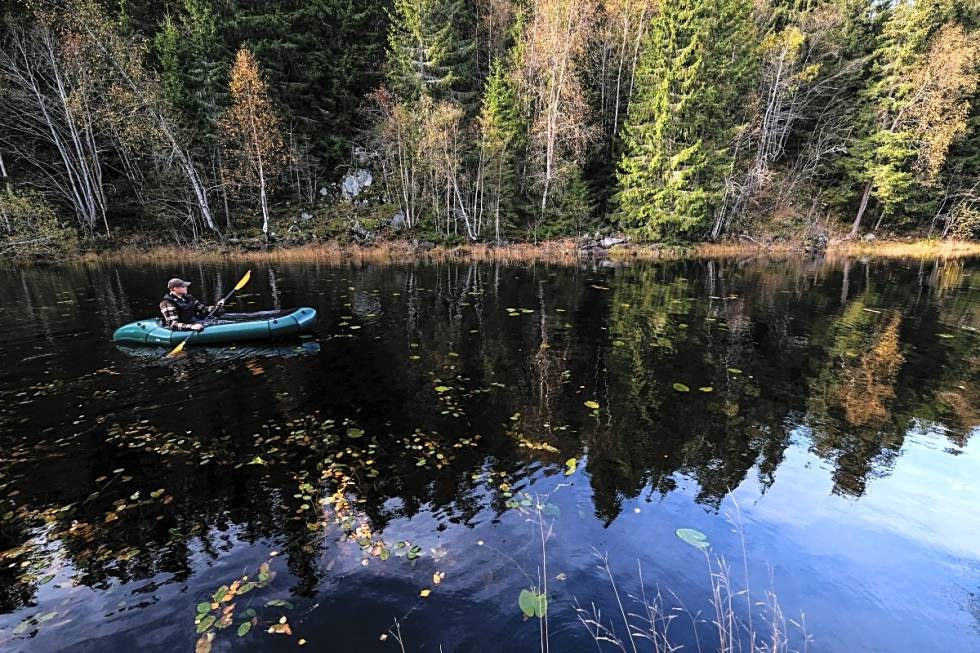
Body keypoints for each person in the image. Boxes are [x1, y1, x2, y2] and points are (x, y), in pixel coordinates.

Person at [159, 278, 225, 331]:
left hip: (196, 322)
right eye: (183, 286)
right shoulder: (167, 302)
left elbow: (204, 309)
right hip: (187, 327)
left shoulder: (189, 298)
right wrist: (191, 327)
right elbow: (172, 324)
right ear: (174, 288)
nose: (186, 287)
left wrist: (217, 306)